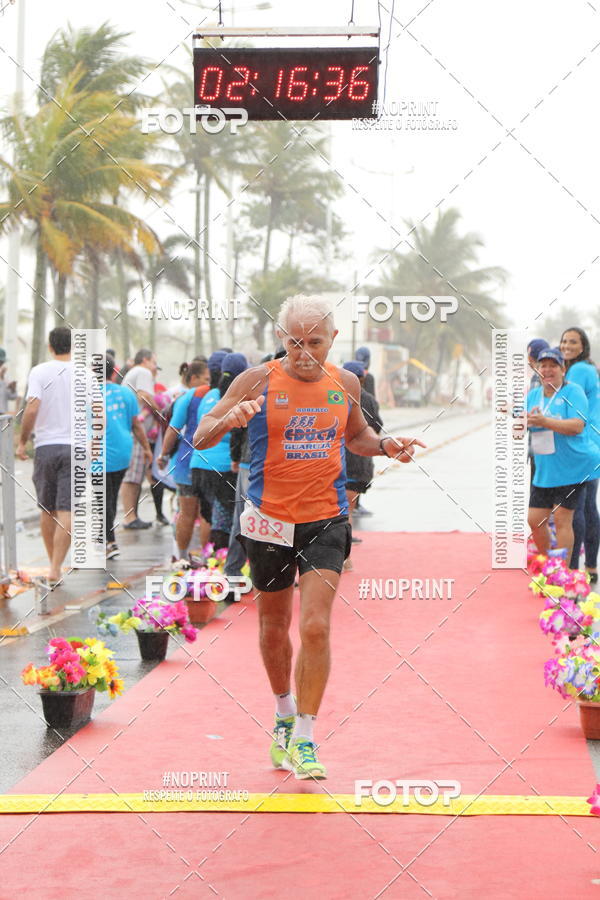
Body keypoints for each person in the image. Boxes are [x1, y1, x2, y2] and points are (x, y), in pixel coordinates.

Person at [193, 295, 425, 780]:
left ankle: (305, 735)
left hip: (326, 518)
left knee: (316, 626)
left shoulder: (346, 383)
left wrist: (386, 446)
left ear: (332, 339)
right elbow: (201, 435)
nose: (303, 353)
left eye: (314, 342)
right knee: (274, 627)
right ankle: (283, 710)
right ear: (281, 337)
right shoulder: (255, 380)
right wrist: (227, 420)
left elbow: (357, 437)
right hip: (269, 521)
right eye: (294, 342)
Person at [527, 347, 600, 563]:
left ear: (563, 369)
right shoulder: (533, 395)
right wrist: (518, 426)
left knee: (562, 519)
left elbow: (577, 426)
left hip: (573, 467)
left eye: (553, 365)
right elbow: (525, 420)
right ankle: (547, 565)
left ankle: (562, 572)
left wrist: (545, 421)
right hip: (546, 469)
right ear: (538, 369)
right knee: (535, 520)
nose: (547, 370)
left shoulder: (572, 392)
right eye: (543, 366)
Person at [16, 328, 73, 587]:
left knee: (47, 508)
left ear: (50, 347)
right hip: (75, 448)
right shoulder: (84, 374)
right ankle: (55, 567)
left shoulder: (39, 371)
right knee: (67, 509)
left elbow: (32, 407)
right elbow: (99, 414)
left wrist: (22, 440)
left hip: (46, 447)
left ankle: (53, 568)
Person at [189, 352, 246, 550]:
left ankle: (208, 561)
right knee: (227, 522)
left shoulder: (209, 395)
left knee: (209, 517)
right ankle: (223, 562)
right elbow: (239, 433)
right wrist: (236, 459)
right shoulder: (241, 396)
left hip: (198, 465)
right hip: (224, 468)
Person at [157, 359, 211, 560]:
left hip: (185, 463)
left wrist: (163, 455)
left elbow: (173, 429)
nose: (207, 382)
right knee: (207, 514)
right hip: (210, 465)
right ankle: (208, 561)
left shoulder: (187, 397)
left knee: (187, 513)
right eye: (206, 378)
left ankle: (181, 559)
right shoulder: (222, 395)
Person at [559, 327, 600, 579]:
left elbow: (566, 404)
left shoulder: (578, 371)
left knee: (577, 509)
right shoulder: (589, 369)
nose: (566, 345)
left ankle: (572, 570)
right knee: (589, 506)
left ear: (583, 346)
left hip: (583, 443)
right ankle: (591, 567)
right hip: (593, 442)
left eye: (573, 342)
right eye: (564, 341)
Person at [104, 355, 153, 559]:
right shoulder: (126, 393)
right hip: (124, 451)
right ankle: (107, 539)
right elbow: (136, 425)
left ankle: (109, 541)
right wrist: (146, 448)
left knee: (104, 498)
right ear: (114, 372)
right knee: (110, 494)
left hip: (99, 452)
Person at [341, 360, 383, 570]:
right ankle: (344, 557)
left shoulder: (336, 396)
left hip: (343, 462)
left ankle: (344, 557)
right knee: (346, 511)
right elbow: (376, 427)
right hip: (361, 465)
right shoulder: (369, 400)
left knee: (341, 513)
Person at [120, 348, 161, 529]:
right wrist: (160, 412)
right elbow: (144, 395)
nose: (155, 367)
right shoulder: (143, 372)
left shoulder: (134, 372)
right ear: (145, 360)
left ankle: (132, 515)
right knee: (132, 477)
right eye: (154, 362)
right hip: (136, 432)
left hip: (132, 430)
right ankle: (129, 517)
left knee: (135, 476)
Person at [0, 348, 17, 414]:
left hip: (2, 414)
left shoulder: (5, 376)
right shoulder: (2, 376)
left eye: (2, 362)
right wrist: (1, 379)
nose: (1, 365)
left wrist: (13, 389)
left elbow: (13, 397)